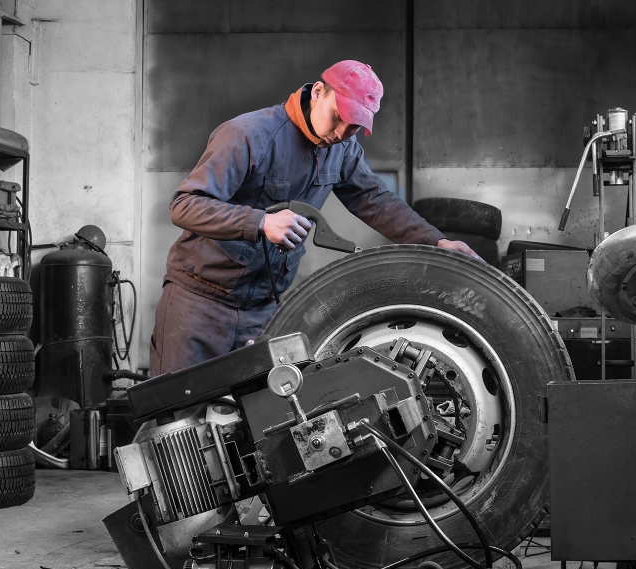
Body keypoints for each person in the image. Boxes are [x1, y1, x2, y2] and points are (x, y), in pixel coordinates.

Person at [150, 60, 480, 376]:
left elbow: (376, 201)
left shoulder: (343, 148)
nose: (342, 132)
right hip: (198, 303)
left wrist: (436, 242)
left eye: (354, 126)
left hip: (264, 310)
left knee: (254, 422)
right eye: (339, 117)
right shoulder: (248, 135)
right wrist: (260, 222)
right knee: (174, 420)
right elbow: (185, 205)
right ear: (318, 92)